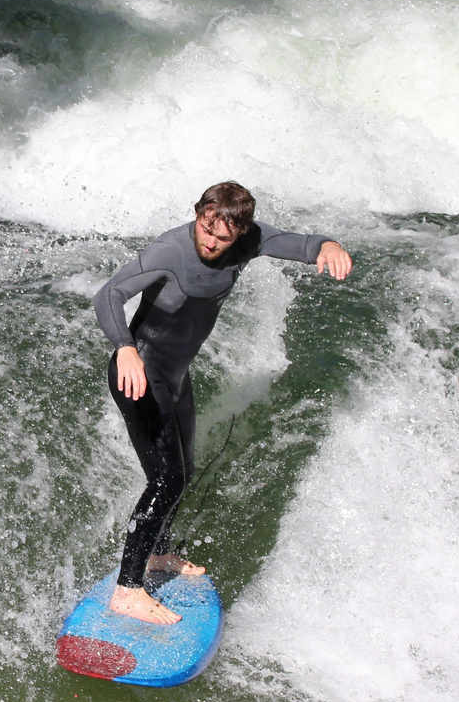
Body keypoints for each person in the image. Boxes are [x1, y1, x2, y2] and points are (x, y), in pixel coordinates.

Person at [92, 182, 351, 624]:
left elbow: (300, 244)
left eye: (222, 238)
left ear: (241, 231)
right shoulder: (168, 251)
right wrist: (124, 347)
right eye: (204, 229)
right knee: (166, 480)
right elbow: (108, 295)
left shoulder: (248, 239)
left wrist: (328, 245)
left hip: (174, 377)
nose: (210, 242)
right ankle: (127, 590)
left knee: (181, 472)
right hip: (138, 373)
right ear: (198, 214)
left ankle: (155, 556)